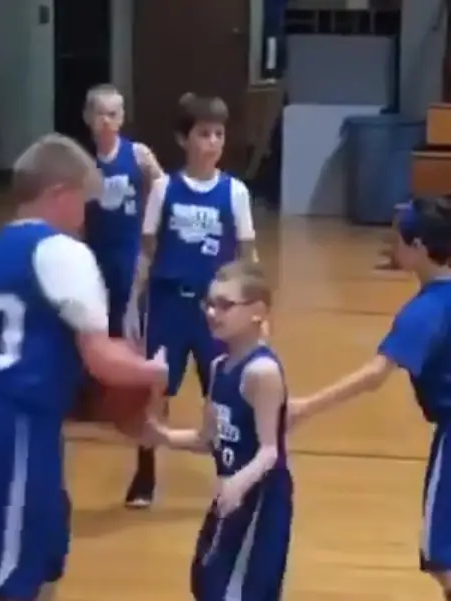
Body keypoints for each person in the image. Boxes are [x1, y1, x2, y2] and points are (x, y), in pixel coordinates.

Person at [0, 133, 168, 601]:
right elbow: (101, 358)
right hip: (14, 418)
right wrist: (152, 372)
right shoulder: (64, 252)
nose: (87, 215)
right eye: (84, 201)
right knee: (6, 574)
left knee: (40, 548)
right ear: (59, 194)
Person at [289, 197, 451, 601]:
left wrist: (306, 406)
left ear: (420, 248)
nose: (393, 247)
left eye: (400, 240)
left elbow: (376, 375)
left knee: (447, 562)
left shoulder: (425, 310)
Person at [124, 93, 259, 508]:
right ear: (184, 139)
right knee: (155, 390)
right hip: (168, 304)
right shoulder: (165, 189)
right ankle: (145, 472)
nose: (213, 142)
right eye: (204, 133)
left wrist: (254, 308)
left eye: (219, 134)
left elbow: (247, 256)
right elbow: (146, 250)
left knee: (223, 390)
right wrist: (132, 304)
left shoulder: (235, 192)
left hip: (214, 309)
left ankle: (232, 470)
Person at [145, 260, 292, 601]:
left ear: (257, 311)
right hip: (231, 496)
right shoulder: (217, 366)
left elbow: (270, 450)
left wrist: (238, 483)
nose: (212, 312)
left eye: (225, 305)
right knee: (207, 581)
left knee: (240, 592)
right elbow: (207, 439)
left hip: (261, 498)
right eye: (209, 303)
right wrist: (162, 435)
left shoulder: (262, 373)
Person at [82, 83, 163, 338]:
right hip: (96, 250)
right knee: (98, 317)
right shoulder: (82, 161)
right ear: (88, 117)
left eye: (112, 114)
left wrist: (152, 232)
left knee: (132, 319)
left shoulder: (138, 154)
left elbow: (163, 189)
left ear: (122, 118)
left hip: (130, 249)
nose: (106, 121)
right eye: (100, 114)